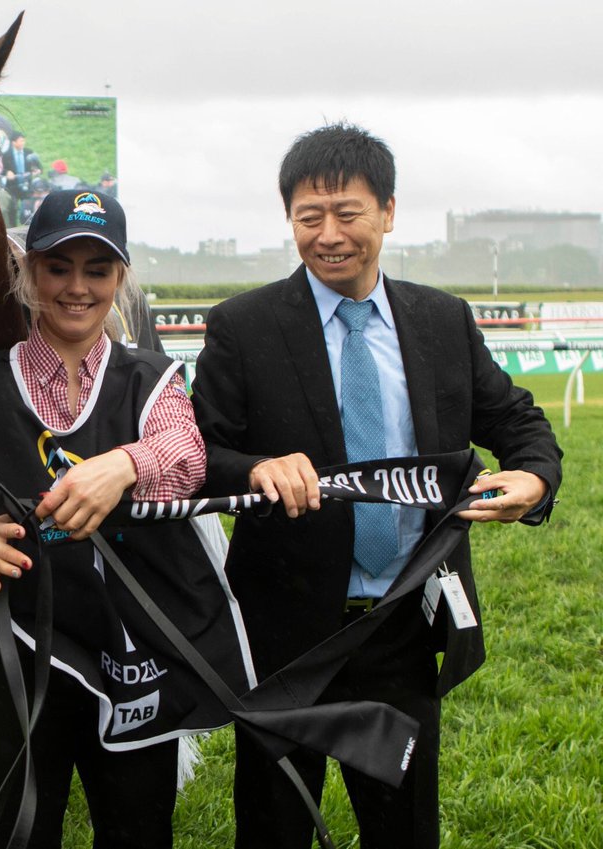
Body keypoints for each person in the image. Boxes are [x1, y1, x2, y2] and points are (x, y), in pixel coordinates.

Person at [191, 122, 563, 849]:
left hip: (402, 619)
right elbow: (199, 449)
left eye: (347, 212)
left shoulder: (443, 321)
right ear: (290, 220)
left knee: (403, 826)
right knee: (273, 825)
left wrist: (535, 478)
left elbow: (518, 419)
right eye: (308, 217)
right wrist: (255, 468)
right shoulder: (244, 326)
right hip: (284, 632)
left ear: (388, 212)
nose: (328, 234)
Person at [0, 190, 250, 847]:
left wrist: (124, 463)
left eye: (98, 269)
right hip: (11, 655)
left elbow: (186, 456)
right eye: (58, 266)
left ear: (120, 278)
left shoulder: (151, 378)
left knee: (138, 832)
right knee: (14, 834)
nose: (77, 287)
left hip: (132, 656)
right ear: (29, 272)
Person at [2, 131, 42, 225]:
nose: (23, 143)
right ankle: (12, 229)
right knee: (12, 210)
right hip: (12, 187)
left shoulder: (29, 153)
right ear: (14, 142)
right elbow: (2, 170)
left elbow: (39, 167)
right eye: (21, 141)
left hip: (27, 186)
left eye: (24, 141)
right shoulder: (6, 155)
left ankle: (29, 226)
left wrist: (37, 170)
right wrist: (7, 172)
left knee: (29, 209)